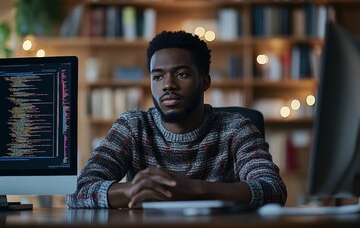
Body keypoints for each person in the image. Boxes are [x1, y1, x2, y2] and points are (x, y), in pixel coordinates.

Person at [66, 30, 287, 209]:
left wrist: (194, 190)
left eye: (181, 74)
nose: (168, 85)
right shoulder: (133, 127)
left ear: (205, 81)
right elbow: (77, 192)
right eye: (158, 76)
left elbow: (273, 189)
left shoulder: (236, 128)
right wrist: (130, 190)